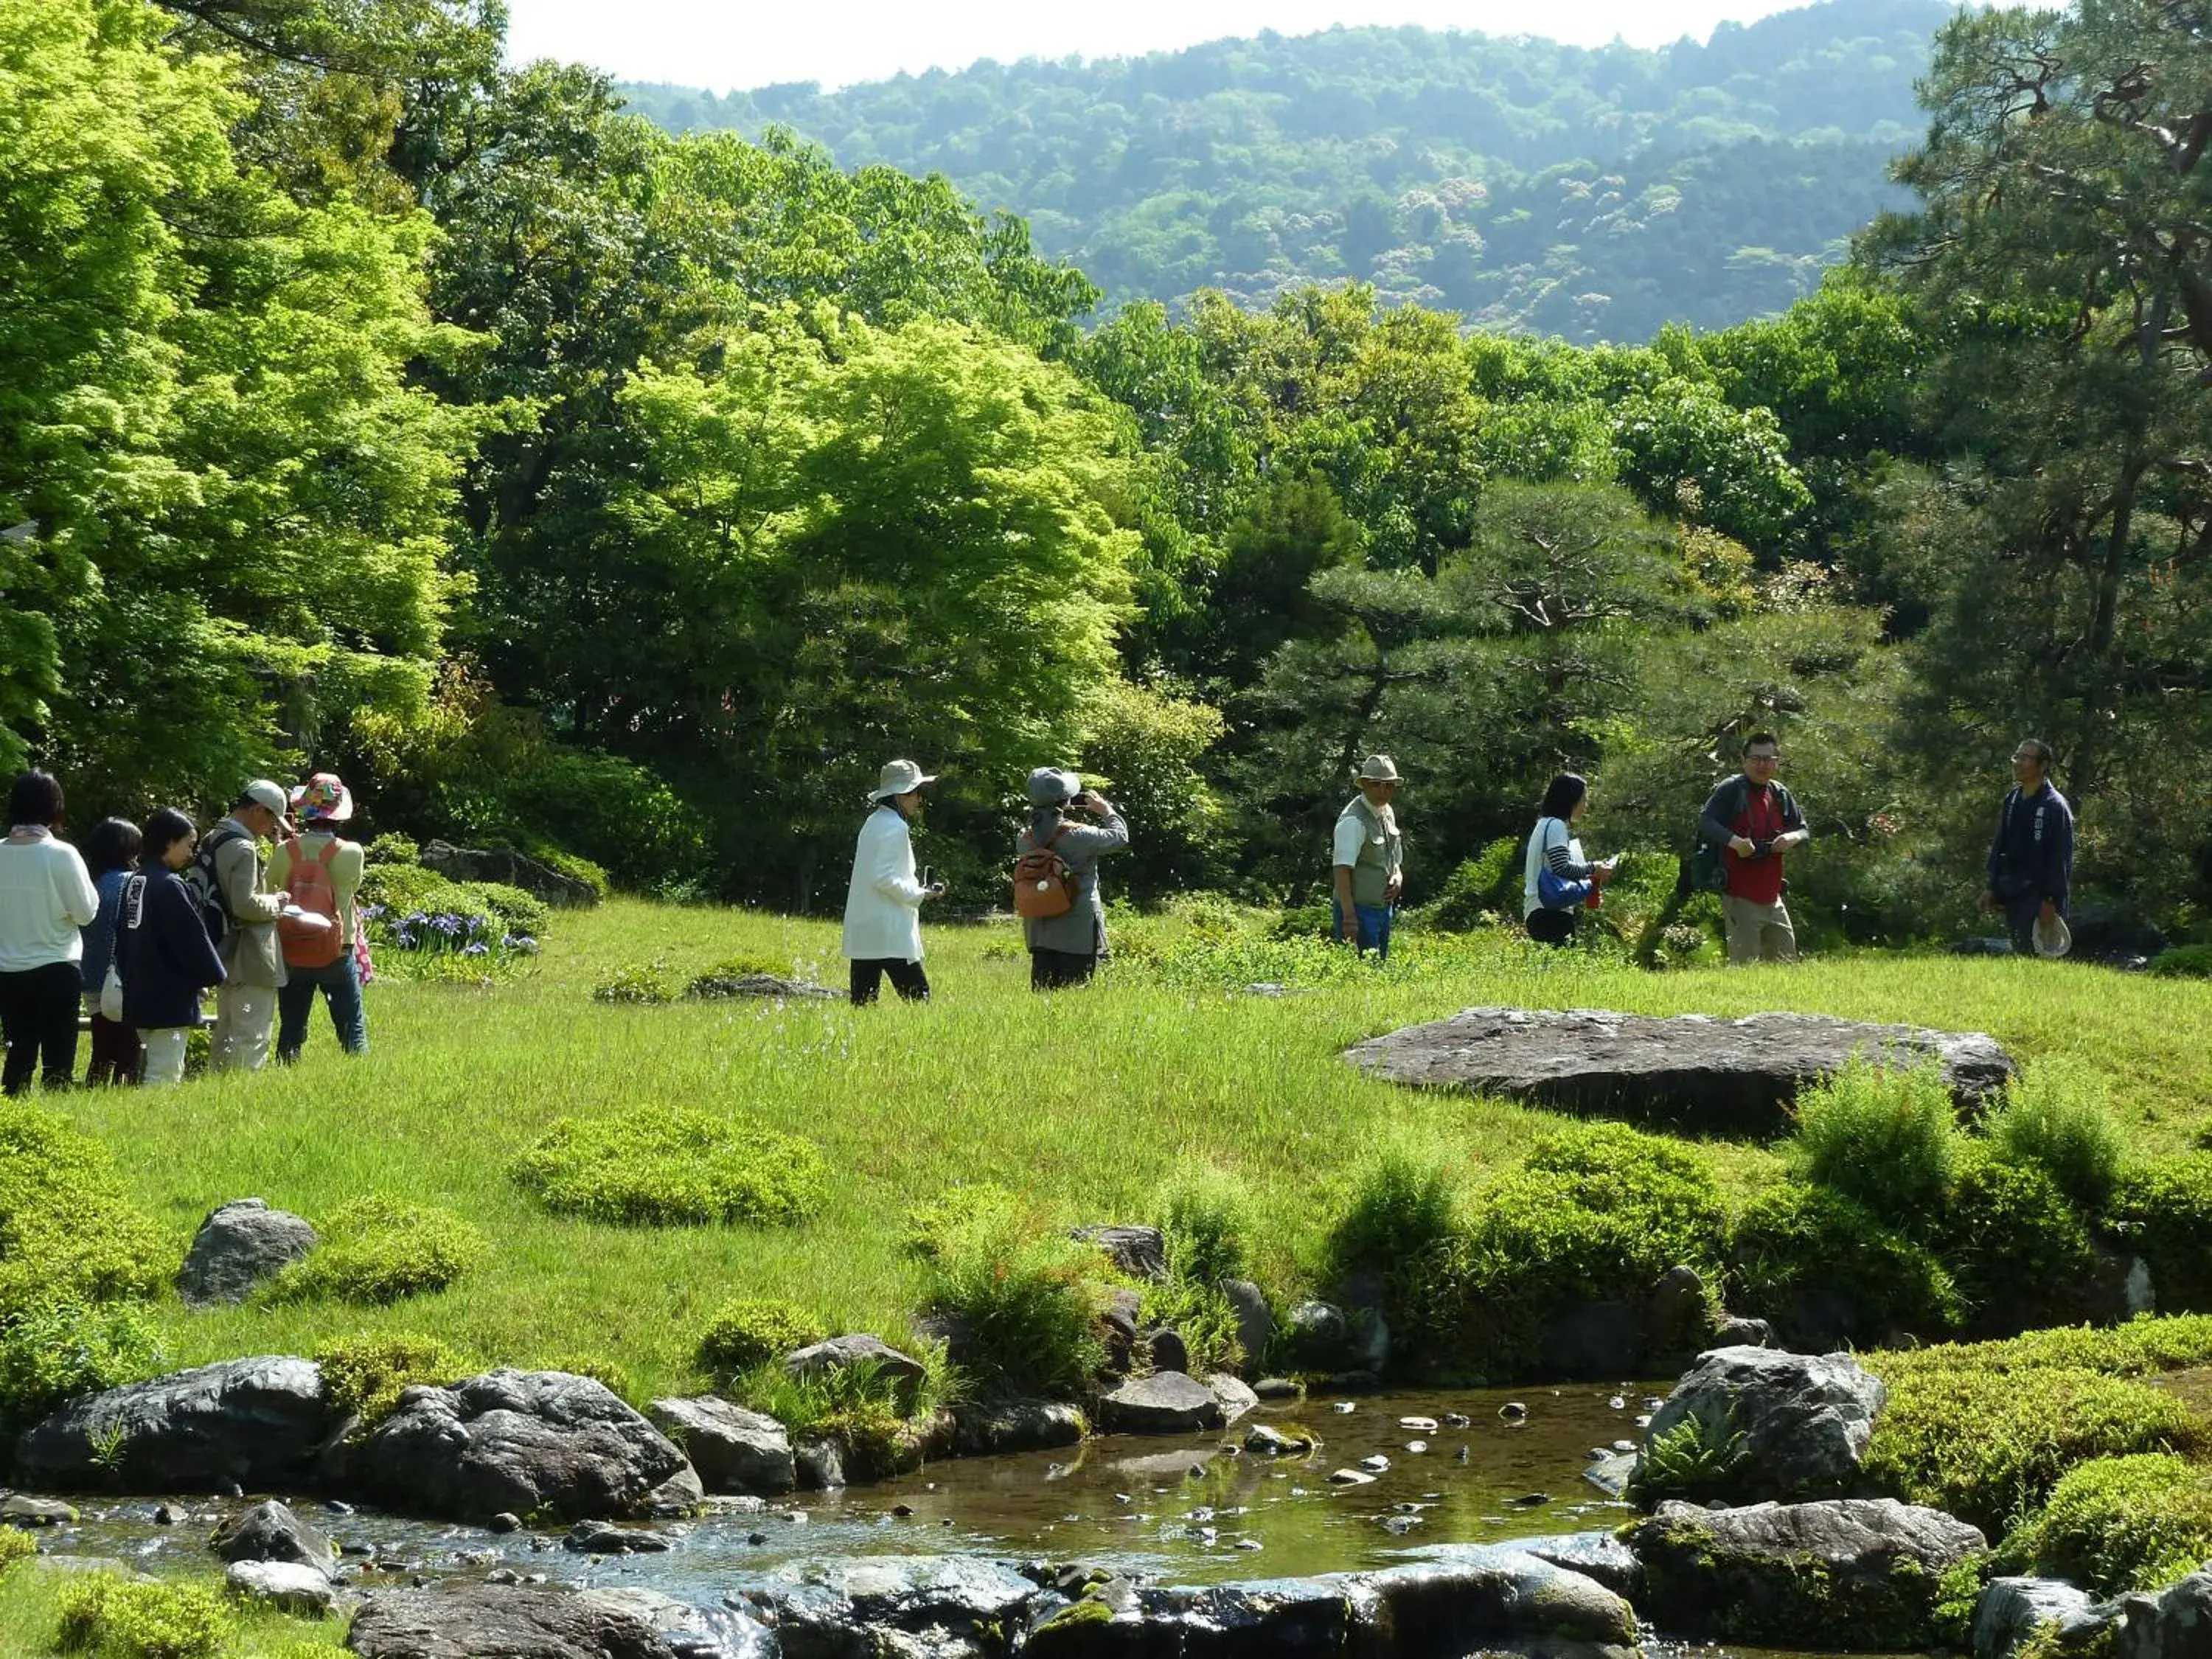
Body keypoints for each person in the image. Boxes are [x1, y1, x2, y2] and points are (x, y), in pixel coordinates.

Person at [0, 771, 100, 1094]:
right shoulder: (62, 854)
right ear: (55, 808)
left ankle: (13, 1117)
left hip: (7, 969)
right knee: (58, 1065)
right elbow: (86, 914)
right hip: (57, 966)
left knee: (18, 1056)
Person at [116, 809, 226, 1088]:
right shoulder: (170, 885)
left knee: (152, 1063)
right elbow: (190, 938)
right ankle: (153, 1126)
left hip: (138, 986)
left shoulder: (134, 881)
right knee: (164, 1072)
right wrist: (210, 976)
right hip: (168, 993)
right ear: (169, 842)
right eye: (189, 844)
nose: (192, 853)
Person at [270, 773, 367, 1060]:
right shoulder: (352, 852)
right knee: (351, 1024)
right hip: (337, 947)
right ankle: (358, 1071)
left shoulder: (284, 852)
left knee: (291, 1025)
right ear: (339, 815)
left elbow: (268, 887)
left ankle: (286, 1067)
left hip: (293, 945)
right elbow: (351, 889)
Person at [1698, 732, 1811, 965]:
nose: (1763, 765)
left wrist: (1791, 838)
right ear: (1744, 760)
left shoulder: (1779, 793)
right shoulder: (1731, 789)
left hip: (1773, 897)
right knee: (1744, 968)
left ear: (1777, 762)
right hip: (1740, 897)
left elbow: (1803, 830)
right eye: (1756, 759)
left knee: (1786, 964)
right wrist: (1736, 842)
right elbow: (1706, 821)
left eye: (1769, 759)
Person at [204, 779, 292, 1073]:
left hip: (222, 949)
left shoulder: (212, 837)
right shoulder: (243, 847)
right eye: (271, 818)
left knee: (226, 1032)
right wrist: (276, 903)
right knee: (250, 1035)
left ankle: (216, 1089)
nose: (271, 828)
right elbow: (245, 904)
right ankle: (242, 1095)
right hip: (249, 953)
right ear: (257, 809)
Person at [841, 759, 945, 1006]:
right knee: (921, 1001)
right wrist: (920, 894)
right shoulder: (895, 827)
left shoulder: (873, 822)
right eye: (916, 792)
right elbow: (883, 877)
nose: (919, 799)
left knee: (862, 1006)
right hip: (888, 930)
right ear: (900, 794)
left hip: (867, 930)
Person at [1018, 768, 1128, 990]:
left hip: (1039, 930)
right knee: (1076, 996)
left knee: (1043, 999)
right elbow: (1120, 837)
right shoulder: (1081, 835)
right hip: (1077, 929)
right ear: (1066, 801)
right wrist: (1107, 811)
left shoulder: (1024, 839)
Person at [1979, 737, 2075, 958]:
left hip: (2042, 896)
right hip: (2014, 891)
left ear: (2043, 766)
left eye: (2025, 758)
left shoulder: (2054, 806)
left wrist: (2050, 901)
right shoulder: (2012, 800)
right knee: (2022, 955)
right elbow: (2000, 846)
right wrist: (1992, 887)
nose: (2018, 763)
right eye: (2016, 757)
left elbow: (2060, 858)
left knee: (2043, 957)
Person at [80, 817, 144, 1085]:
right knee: (128, 1047)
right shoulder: (131, 881)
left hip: (91, 973)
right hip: (120, 976)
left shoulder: (89, 880)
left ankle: (94, 1088)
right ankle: (123, 1092)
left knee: (101, 1044)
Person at [1521, 773, 1615, 947]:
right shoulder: (1556, 825)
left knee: (1552, 969)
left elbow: (1556, 867)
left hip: (1537, 911)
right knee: (1562, 970)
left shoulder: (1543, 824)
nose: (1585, 806)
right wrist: (1594, 868)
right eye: (1584, 800)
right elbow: (1561, 867)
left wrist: (1588, 882)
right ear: (1570, 800)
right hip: (1550, 913)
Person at [1332, 755, 1404, 959]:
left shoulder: (1387, 812)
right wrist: (1349, 917)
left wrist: (1398, 877)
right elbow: (1341, 870)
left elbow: (1395, 857)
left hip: (1383, 909)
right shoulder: (1353, 821)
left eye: (1389, 786)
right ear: (1363, 784)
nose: (1383, 791)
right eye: (1376, 784)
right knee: (1358, 976)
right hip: (1358, 912)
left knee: (1378, 971)